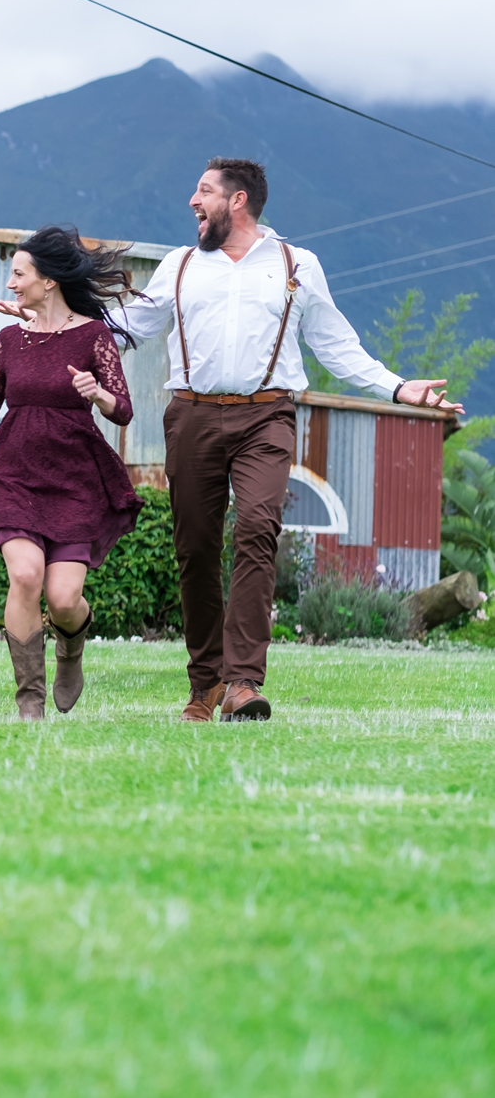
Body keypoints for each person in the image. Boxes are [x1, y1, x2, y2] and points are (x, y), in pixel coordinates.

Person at [112, 158, 465, 722]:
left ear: (238, 201)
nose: (191, 201)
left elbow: (335, 345)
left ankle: (245, 683)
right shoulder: (179, 266)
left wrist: (398, 388)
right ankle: (206, 682)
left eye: (203, 191)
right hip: (192, 417)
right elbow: (127, 326)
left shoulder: (296, 265)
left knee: (257, 527)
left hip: (266, 417)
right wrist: (49, 324)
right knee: (196, 549)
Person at [0, 226, 142, 718]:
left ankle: (71, 649)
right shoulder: (11, 339)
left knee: (63, 598)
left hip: (75, 479)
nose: (12, 283)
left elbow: (122, 409)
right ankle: (29, 700)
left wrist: (96, 393)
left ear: (50, 280)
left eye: (19, 273)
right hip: (14, 472)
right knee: (26, 573)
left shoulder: (94, 337)